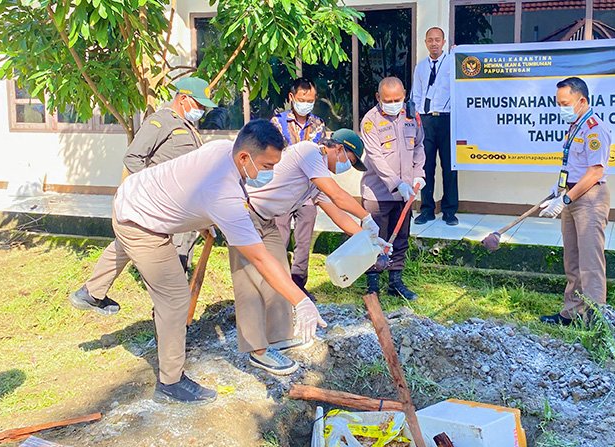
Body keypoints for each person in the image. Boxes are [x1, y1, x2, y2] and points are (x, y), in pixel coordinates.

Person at [95, 119, 326, 404]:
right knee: (175, 299)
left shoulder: (222, 149)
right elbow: (260, 258)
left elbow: (190, 184)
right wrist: (300, 300)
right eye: (267, 166)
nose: (271, 173)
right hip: (141, 222)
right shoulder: (225, 198)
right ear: (245, 157)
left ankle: (91, 291)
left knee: (125, 241)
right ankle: (170, 382)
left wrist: (204, 219)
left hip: (136, 195)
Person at [236, 130, 385, 375]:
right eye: (349, 160)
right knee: (250, 283)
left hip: (267, 220)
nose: (347, 167)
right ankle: (258, 351)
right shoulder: (309, 152)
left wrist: (371, 240)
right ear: (338, 148)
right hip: (245, 214)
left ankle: (277, 337)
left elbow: (337, 213)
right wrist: (367, 216)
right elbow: (338, 196)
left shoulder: (316, 179)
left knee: (280, 275)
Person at [69, 77, 215, 315]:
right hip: (164, 205)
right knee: (174, 259)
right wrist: (153, 191)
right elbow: (133, 157)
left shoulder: (187, 126)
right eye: (199, 105)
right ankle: (169, 318)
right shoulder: (160, 121)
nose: (202, 110)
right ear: (183, 99)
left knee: (128, 243)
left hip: (176, 203)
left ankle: (91, 292)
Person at [538, 77, 612, 326]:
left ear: (581, 101)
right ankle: (571, 313)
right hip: (571, 196)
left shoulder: (594, 129)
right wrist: (559, 190)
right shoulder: (575, 126)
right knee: (572, 259)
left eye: (565, 104)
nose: (561, 109)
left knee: (590, 263)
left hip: (589, 199)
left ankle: (595, 320)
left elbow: (595, 172)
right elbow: (573, 165)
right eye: (559, 104)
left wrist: (566, 198)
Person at [360, 77, 425, 300]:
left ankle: (395, 282)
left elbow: (419, 146)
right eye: (388, 100)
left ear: (404, 95)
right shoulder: (370, 121)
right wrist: (398, 184)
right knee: (375, 238)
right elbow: (376, 158)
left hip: (406, 193)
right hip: (378, 193)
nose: (393, 104)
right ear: (378, 97)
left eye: (398, 99)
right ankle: (372, 285)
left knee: (401, 238)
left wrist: (419, 174)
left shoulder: (412, 116)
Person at [270, 78, 327, 300]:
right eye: (302, 99)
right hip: (283, 190)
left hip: (307, 192)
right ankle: (278, 282)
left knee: (304, 241)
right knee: (280, 237)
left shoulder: (318, 124)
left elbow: (319, 155)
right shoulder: (277, 122)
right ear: (292, 97)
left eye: (311, 100)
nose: (306, 104)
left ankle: (298, 284)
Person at [411, 27, 458, 226]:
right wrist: (417, 120)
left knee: (449, 167)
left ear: (444, 42)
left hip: (447, 119)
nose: (434, 43)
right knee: (426, 166)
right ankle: (427, 210)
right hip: (426, 121)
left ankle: (449, 211)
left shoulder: (453, 63)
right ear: (425, 42)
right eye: (430, 40)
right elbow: (416, 94)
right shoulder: (420, 67)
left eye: (437, 40)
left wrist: (460, 55)